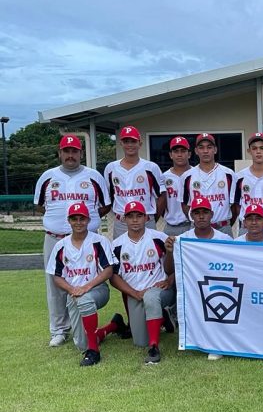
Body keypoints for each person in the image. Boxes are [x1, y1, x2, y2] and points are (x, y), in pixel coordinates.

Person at [34, 134, 111, 347]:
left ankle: (86, 325)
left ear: (80, 153)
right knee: (56, 285)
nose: (70, 155)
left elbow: (105, 206)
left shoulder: (94, 176)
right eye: (66, 151)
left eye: (74, 151)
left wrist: (87, 223)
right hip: (55, 238)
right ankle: (59, 330)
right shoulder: (47, 177)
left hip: (88, 239)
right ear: (60, 153)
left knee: (87, 281)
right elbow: (40, 206)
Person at [46, 202, 125, 366]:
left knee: (85, 300)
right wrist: (72, 289)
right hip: (74, 293)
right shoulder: (61, 246)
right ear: (69, 221)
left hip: (97, 290)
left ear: (88, 220)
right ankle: (113, 325)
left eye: (82, 218)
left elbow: (108, 270)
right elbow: (57, 277)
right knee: (82, 343)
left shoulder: (99, 241)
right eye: (74, 219)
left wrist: (86, 287)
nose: (78, 222)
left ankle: (94, 352)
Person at [164, 197, 232, 361]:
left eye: (205, 212)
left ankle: (217, 342)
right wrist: (168, 252)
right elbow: (169, 270)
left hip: (219, 286)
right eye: (197, 213)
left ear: (212, 215)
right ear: (191, 216)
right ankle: (177, 316)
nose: (201, 216)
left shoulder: (225, 239)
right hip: (192, 287)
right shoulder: (183, 239)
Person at [110, 201, 175, 365]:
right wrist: (134, 293)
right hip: (135, 294)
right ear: (124, 219)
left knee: (152, 298)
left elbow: (177, 265)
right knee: (139, 341)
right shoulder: (117, 245)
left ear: (146, 218)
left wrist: (169, 279)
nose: (135, 220)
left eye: (139, 215)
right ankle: (163, 317)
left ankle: (154, 348)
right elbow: (113, 277)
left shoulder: (159, 238)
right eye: (130, 216)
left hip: (159, 291)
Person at [104, 125, 166, 239]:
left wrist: (152, 218)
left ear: (140, 144)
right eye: (126, 141)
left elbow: (162, 196)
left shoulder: (151, 167)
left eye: (133, 141)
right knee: (121, 255)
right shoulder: (110, 168)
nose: (130, 145)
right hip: (121, 222)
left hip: (146, 220)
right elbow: (109, 195)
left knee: (151, 255)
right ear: (121, 143)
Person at [182, 133, 237, 237]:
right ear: (196, 151)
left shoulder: (228, 174)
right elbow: (185, 205)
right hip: (197, 230)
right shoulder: (187, 176)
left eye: (209, 147)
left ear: (215, 150)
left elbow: (234, 206)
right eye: (201, 147)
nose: (205, 151)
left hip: (223, 227)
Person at [162, 136, 192, 237]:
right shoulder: (164, 177)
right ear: (170, 155)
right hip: (170, 226)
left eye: (183, 151)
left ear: (189, 154)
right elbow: (161, 203)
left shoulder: (196, 174)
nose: (179, 154)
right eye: (176, 151)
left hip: (192, 226)